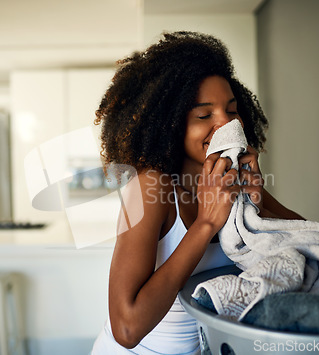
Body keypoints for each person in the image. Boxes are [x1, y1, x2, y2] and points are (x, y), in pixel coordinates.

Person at [91, 31, 303, 354]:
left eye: (232, 111)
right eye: (204, 115)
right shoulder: (149, 187)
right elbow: (126, 327)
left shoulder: (235, 182)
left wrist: (258, 206)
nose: (226, 124)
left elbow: (315, 244)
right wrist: (205, 225)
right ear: (171, 123)